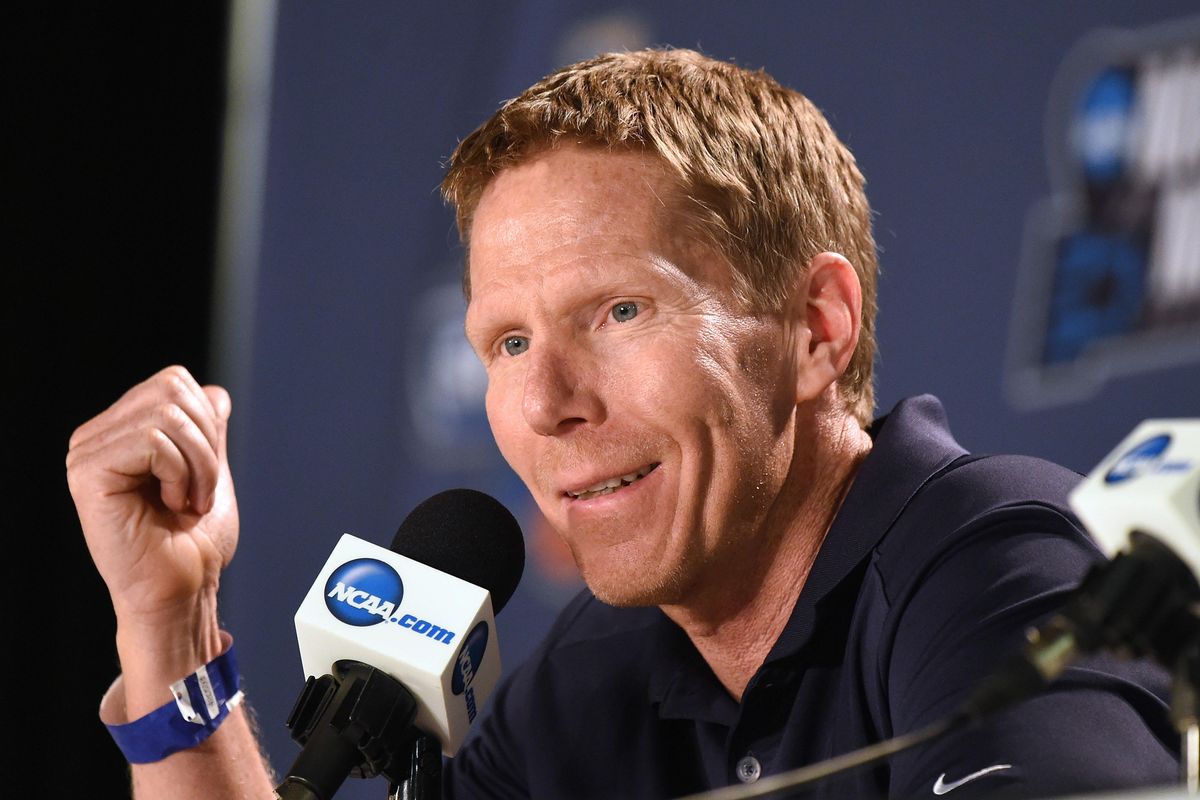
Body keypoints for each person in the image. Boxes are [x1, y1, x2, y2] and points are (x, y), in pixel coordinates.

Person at [67, 48, 1178, 799]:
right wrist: (167, 630)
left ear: (814, 326)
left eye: (619, 310)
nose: (549, 403)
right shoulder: (602, 668)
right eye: (505, 342)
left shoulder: (997, 558)